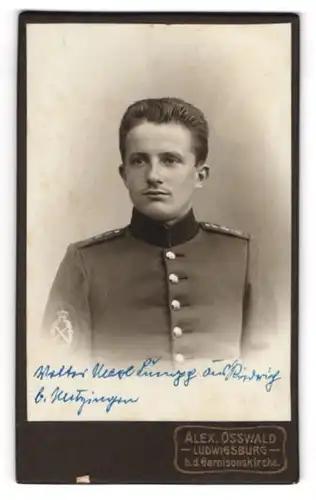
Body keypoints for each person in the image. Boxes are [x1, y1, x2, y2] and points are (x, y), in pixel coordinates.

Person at [42, 97, 261, 365]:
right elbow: (58, 378)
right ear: (124, 175)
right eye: (139, 161)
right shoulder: (85, 262)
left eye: (170, 160)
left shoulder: (242, 256)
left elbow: (269, 377)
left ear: (199, 175)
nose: (153, 175)